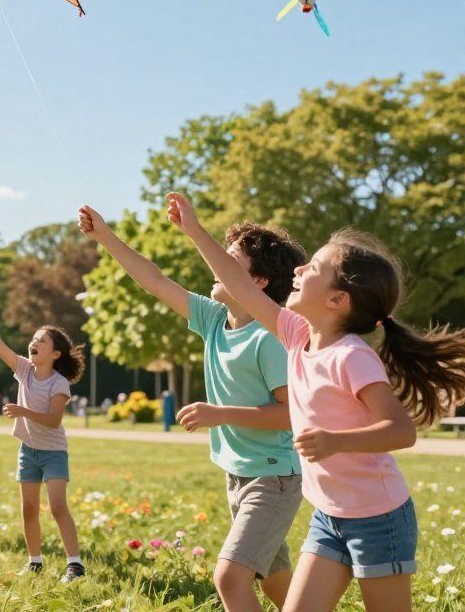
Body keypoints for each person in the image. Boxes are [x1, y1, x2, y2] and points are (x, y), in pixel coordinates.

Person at [166, 191, 465, 612]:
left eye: (315, 267)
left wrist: (335, 441)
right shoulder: (295, 335)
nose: (301, 269)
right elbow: (238, 284)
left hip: (378, 520)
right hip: (328, 518)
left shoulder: (352, 356)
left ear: (337, 300)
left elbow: (402, 430)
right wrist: (194, 230)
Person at [79, 205, 305, 611]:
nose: (215, 264)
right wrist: (105, 238)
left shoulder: (269, 338)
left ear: (258, 280)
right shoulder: (215, 319)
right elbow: (155, 280)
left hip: (272, 479)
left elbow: (290, 414)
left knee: (230, 578)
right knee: (276, 586)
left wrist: (220, 414)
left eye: (230, 260)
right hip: (239, 474)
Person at [0, 296, 87, 583]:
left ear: (56, 354)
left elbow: (54, 420)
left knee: (57, 506)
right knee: (28, 508)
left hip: (54, 452)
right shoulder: (24, 370)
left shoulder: (59, 382)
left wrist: (22, 411)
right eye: (34, 339)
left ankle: (75, 565)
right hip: (27, 450)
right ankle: (35, 562)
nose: (34, 342)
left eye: (41, 340)